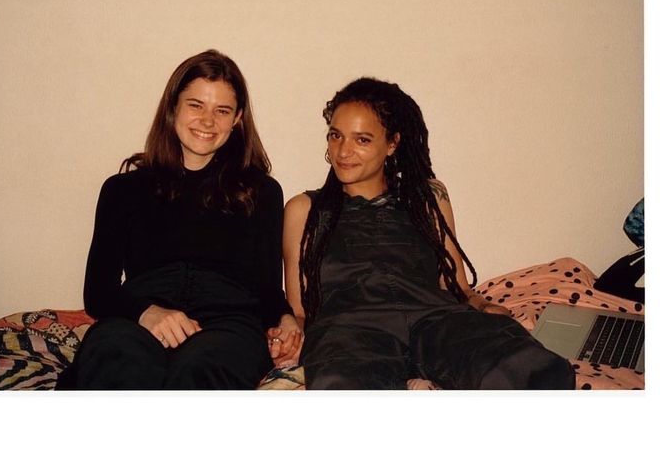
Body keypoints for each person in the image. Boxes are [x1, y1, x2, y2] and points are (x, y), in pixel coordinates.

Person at [273, 77, 576, 390]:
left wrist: (483, 307)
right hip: (350, 331)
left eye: (362, 140)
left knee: (523, 367)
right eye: (335, 136)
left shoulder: (427, 199)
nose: (343, 151)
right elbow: (300, 309)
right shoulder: (305, 209)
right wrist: (290, 331)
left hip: (434, 319)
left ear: (392, 144)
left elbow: (457, 286)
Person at [56, 49, 301, 390]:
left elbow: (266, 287)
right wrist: (147, 311)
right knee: (116, 357)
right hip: (139, 321)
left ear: (238, 119)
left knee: (199, 369)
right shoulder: (122, 190)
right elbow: (98, 292)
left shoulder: (262, 193)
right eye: (195, 105)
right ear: (172, 109)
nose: (208, 120)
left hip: (228, 326)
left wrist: (286, 318)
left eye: (222, 110)